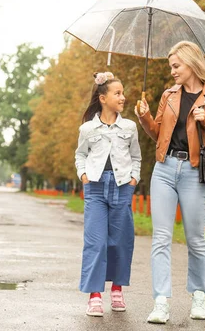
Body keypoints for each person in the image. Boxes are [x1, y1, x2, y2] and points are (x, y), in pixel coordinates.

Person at [135, 41, 205, 324]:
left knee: (195, 239)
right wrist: (144, 117)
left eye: (176, 66)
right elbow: (159, 134)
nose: (172, 71)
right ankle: (161, 302)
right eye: (171, 67)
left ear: (191, 63)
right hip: (165, 169)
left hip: (195, 171)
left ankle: (199, 296)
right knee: (161, 238)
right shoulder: (168, 95)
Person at [75, 71, 141, 317]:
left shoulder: (130, 126)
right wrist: (83, 174)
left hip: (123, 186)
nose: (123, 97)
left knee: (120, 242)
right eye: (118, 93)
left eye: (123, 93)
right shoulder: (87, 128)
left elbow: (136, 156)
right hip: (95, 187)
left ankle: (117, 289)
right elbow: (80, 154)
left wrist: (134, 178)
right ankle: (94, 296)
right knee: (96, 242)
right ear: (103, 98)